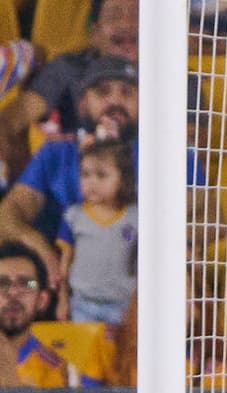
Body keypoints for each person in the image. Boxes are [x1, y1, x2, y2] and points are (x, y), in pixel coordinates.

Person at [0, 54, 138, 295]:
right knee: (16, 276)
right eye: (103, 92)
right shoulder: (57, 152)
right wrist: (43, 249)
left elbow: (205, 214)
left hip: (142, 285)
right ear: (83, 104)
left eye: (127, 92)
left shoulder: (165, 156)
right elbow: (7, 216)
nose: (116, 101)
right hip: (62, 282)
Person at [0, 0, 138, 176]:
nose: (126, 24)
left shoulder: (167, 76)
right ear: (94, 33)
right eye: (114, 16)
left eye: (137, 15)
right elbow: (12, 119)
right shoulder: (69, 67)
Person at [55, 139, 137, 323]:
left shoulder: (136, 217)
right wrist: (63, 299)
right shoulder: (73, 216)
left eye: (101, 175)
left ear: (123, 178)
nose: (91, 182)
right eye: (85, 174)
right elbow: (66, 260)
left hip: (123, 305)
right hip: (82, 303)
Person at [0, 240, 92, 388]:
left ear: (42, 300)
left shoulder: (59, 368)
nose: (13, 292)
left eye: (26, 283)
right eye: (2, 283)